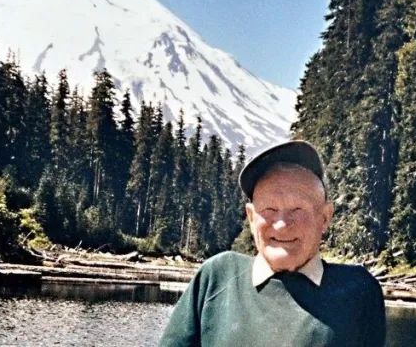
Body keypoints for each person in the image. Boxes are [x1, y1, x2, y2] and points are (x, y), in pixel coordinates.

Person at [159, 140, 385, 347]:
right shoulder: (217, 277)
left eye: (298, 210)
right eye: (269, 210)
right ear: (251, 217)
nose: (281, 225)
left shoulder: (358, 290)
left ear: (325, 217)